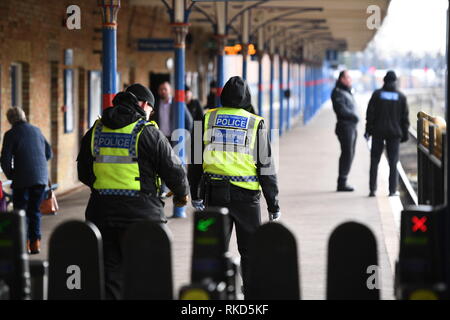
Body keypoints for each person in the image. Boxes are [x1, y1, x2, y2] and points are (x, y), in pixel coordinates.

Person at [77, 83, 189, 299]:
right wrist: (181, 194)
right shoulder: (147, 132)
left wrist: (104, 187)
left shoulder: (95, 131)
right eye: (151, 110)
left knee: (110, 274)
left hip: (102, 214)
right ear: (145, 105)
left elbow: (83, 172)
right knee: (146, 274)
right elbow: (173, 169)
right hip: (142, 216)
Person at [189, 76, 281, 294]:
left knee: (212, 249)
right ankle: (252, 296)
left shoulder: (206, 118)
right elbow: (265, 166)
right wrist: (273, 204)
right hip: (246, 198)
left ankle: (212, 294)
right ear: (246, 97)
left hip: (214, 194)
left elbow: (194, 160)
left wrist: (196, 194)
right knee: (250, 251)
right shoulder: (254, 122)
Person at [0, 107, 52, 254]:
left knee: (20, 212)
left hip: (22, 180)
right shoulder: (36, 130)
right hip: (40, 178)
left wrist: (12, 175)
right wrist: (38, 166)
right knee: (34, 211)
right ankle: (35, 244)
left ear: (10, 120)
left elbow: (5, 160)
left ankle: (23, 244)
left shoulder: (10, 134)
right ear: (24, 116)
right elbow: (48, 153)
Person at [365, 70, 410, 197]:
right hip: (394, 134)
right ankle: (392, 190)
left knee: (374, 161)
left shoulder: (377, 94)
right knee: (393, 162)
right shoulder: (401, 97)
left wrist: (368, 130)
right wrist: (404, 135)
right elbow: (404, 119)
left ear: (384, 80)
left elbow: (370, 115)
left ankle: (372, 189)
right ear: (395, 81)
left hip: (378, 133)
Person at [331, 70, 359, 192]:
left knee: (350, 153)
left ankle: (343, 180)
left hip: (352, 126)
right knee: (347, 153)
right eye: (348, 77)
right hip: (345, 126)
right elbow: (341, 110)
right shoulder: (337, 92)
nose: (350, 80)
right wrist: (354, 116)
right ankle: (341, 182)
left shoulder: (347, 91)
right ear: (341, 79)